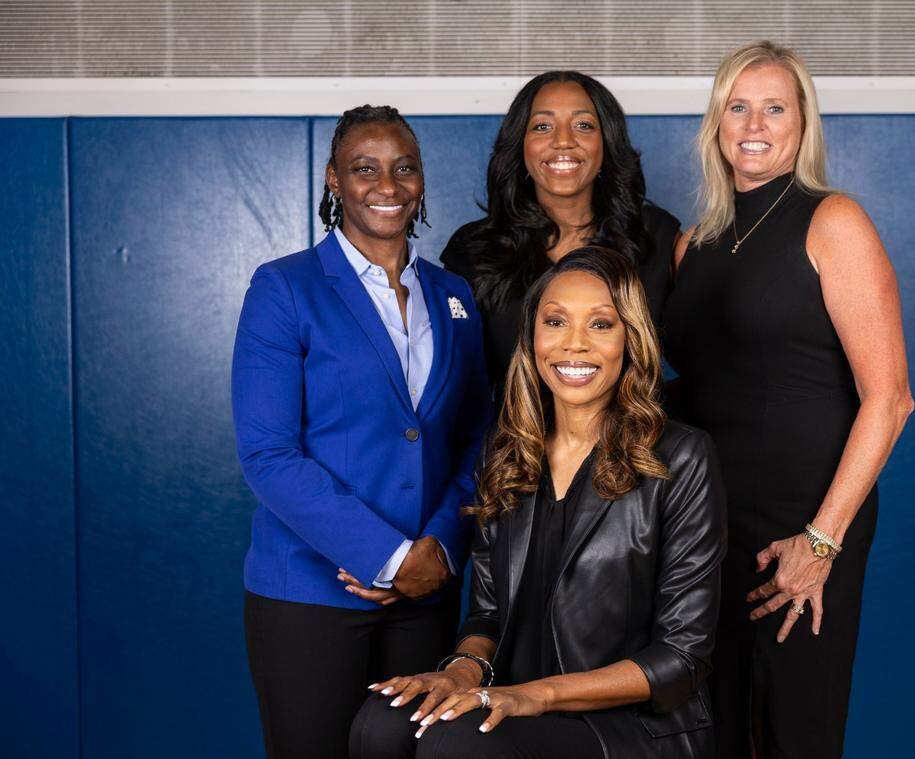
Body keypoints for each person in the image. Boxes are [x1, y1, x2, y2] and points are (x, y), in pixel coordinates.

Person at [348, 247, 727, 759]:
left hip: (633, 727)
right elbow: (486, 618)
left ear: (630, 341)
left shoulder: (681, 458)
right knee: (386, 722)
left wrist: (536, 694)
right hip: (514, 698)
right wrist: (460, 673)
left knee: (458, 744)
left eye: (600, 325)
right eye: (555, 321)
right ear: (532, 338)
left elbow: (682, 656)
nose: (574, 345)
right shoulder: (507, 453)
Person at [662, 41, 915, 758]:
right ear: (715, 124)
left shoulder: (833, 222)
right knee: (710, 731)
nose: (754, 123)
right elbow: (703, 387)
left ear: (803, 124)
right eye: (737, 107)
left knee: (795, 733)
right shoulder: (693, 246)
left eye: (775, 107)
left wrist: (821, 540)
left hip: (804, 528)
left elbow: (890, 398)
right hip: (708, 529)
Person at [231, 104, 491, 759]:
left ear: (422, 180)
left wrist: (439, 546)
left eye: (404, 168)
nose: (388, 184)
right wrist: (390, 556)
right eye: (365, 168)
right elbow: (268, 454)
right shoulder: (284, 288)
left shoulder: (453, 294)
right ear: (334, 180)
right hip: (309, 595)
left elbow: (479, 435)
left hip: (427, 592)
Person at [439, 71, 680, 398]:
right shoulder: (473, 250)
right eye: (542, 126)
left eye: (583, 125)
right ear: (520, 144)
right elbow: (454, 382)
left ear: (606, 142)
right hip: (514, 443)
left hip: (632, 444)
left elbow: (704, 360)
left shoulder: (657, 236)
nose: (563, 140)